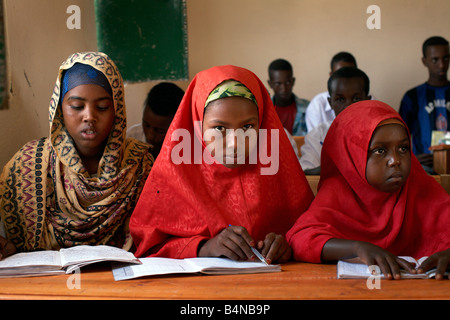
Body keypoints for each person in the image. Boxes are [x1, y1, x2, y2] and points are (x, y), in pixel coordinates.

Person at [130, 65, 314, 264]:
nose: (235, 142)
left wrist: (287, 245)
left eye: (247, 126)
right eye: (219, 128)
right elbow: (147, 244)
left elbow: (309, 231)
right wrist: (203, 247)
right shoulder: (174, 173)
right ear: (198, 124)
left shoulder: (277, 163)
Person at [0, 52, 153, 259]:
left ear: (117, 110)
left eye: (102, 107)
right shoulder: (26, 165)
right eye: (77, 106)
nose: (89, 116)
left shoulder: (140, 165)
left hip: (123, 284)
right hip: (41, 286)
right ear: (59, 109)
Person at [287, 100, 450, 280]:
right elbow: (300, 239)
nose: (395, 160)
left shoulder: (419, 186)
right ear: (353, 155)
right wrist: (357, 248)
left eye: (403, 148)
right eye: (380, 151)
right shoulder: (338, 191)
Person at [300, 67, 371, 175]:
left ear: (368, 100)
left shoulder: (379, 132)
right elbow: (306, 172)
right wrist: (339, 166)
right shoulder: (319, 134)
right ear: (330, 102)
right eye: (340, 99)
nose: (348, 106)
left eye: (356, 99)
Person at [399, 36, 450, 173]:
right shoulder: (412, 97)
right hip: (423, 167)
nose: (442, 65)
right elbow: (398, 135)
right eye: (435, 60)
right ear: (424, 61)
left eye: (445, 58)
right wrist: (411, 157)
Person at [127, 82, 184, 158]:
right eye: (146, 125)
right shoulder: (132, 138)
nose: (150, 136)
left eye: (160, 131)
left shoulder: (190, 147)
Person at [305, 52, 357, 132]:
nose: (345, 79)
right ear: (331, 75)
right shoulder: (317, 105)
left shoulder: (370, 102)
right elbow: (315, 140)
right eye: (339, 74)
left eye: (350, 73)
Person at [267, 59, 309, 136]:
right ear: (270, 84)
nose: (283, 88)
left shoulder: (308, 108)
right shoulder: (263, 110)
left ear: (293, 81)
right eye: (278, 84)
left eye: (287, 82)